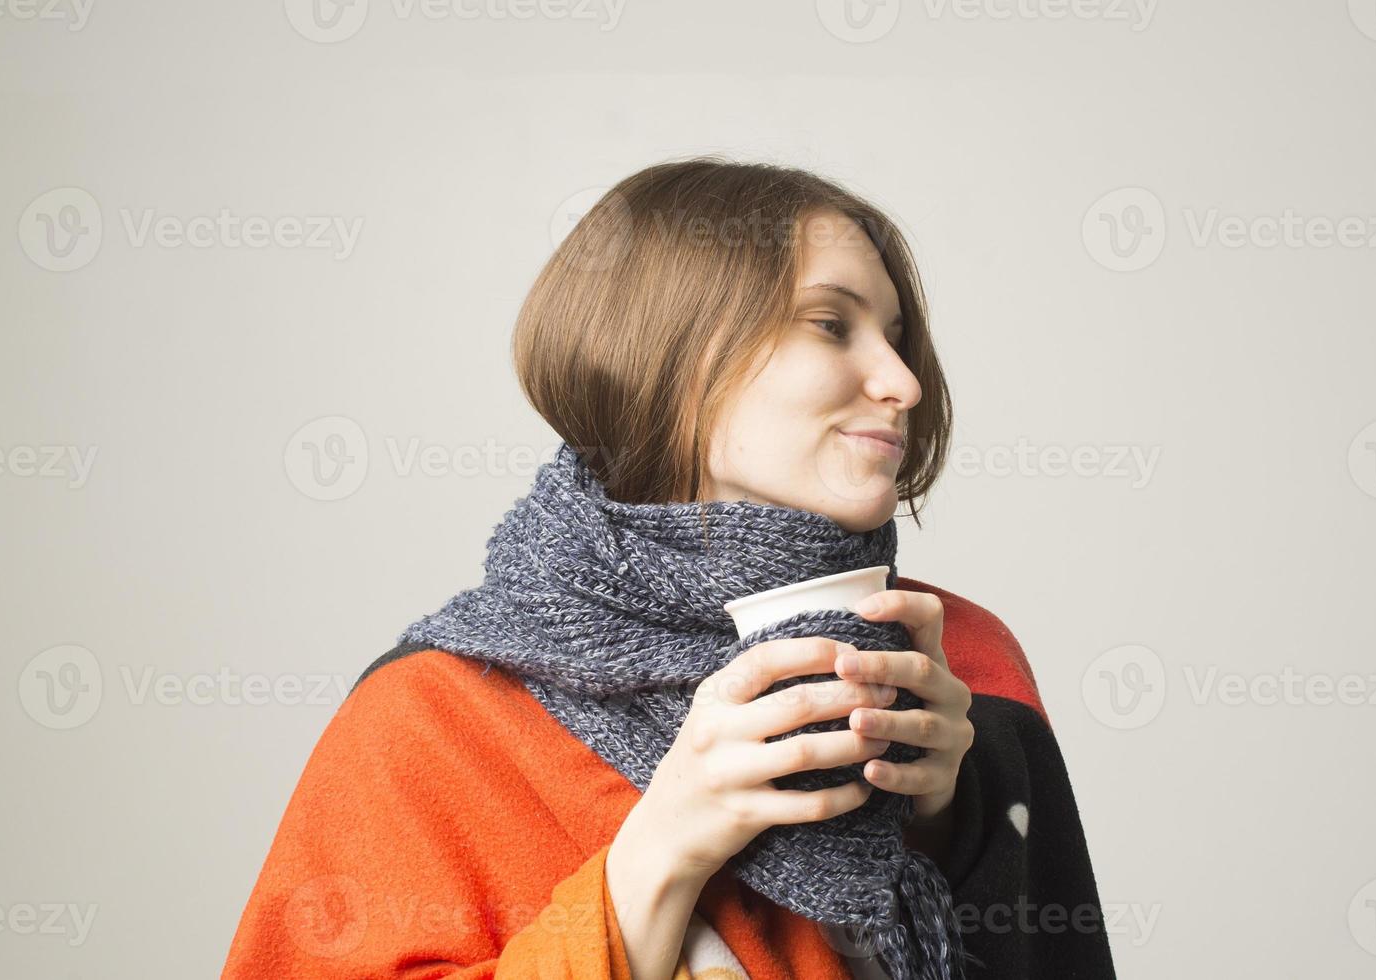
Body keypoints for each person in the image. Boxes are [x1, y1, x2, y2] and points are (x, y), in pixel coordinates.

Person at [221, 156, 1118, 979]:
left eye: (896, 335)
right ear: (678, 353)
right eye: (831, 324)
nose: (903, 382)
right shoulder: (432, 717)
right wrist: (658, 854)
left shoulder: (967, 666)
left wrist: (954, 824)